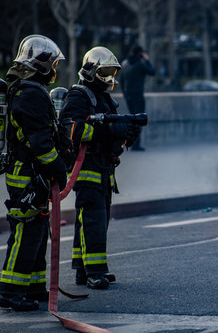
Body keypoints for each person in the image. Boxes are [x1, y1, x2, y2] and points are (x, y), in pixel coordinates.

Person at [60, 47, 140, 289]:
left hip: (104, 168)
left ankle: (82, 270)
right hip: (86, 168)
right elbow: (70, 129)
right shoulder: (79, 96)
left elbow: (110, 137)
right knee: (93, 219)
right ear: (90, 70)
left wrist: (126, 135)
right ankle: (95, 271)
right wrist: (107, 131)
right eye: (104, 71)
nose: (109, 76)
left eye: (112, 71)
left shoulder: (104, 99)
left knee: (92, 220)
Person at [0, 35, 68, 311]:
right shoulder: (30, 94)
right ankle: (10, 290)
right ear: (39, 64)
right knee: (26, 231)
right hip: (27, 174)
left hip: (32, 172)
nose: (54, 70)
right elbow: (39, 141)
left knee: (37, 232)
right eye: (52, 64)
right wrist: (58, 168)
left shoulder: (30, 90)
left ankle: (34, 287)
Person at [119, 45, 155, 151]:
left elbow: (121, 80)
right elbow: (152, 72)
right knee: (139, 120)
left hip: (128, 95)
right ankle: (136, 144)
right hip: (138, 95)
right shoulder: (140, 64)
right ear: (140, 54)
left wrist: (125, 94)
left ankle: (130, 142)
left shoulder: (125, 64)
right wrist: (147, 60)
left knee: (131, 120)